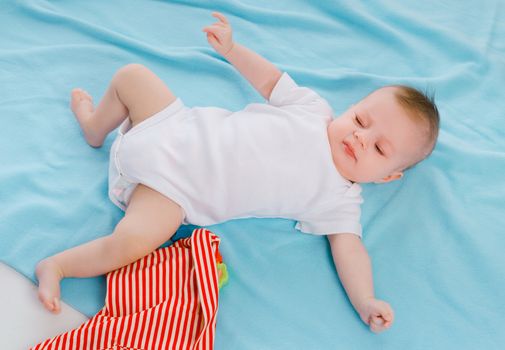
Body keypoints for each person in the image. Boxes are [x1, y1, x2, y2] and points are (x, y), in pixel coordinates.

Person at [36, 12, 439, 333]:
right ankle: (95, 128)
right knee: (132, 76)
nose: (359, 136)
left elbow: (350, 251)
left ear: (387, 176)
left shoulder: (339, 200)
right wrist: (232, 49)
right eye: (361, 118)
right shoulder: (313, 109)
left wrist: (366, 300)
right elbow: (269, 80)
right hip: (171, 125)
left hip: (173, 193)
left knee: (132, 243)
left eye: (380, 148)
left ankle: (58, 266)